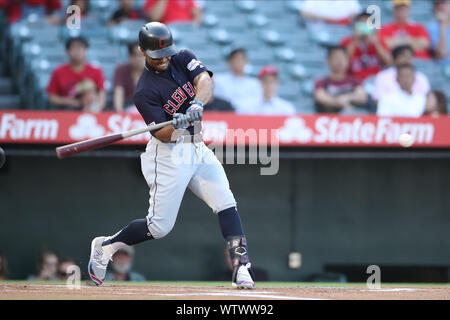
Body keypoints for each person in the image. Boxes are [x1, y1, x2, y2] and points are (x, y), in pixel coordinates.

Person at [88, 22, 255, 290]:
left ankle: (241, 267)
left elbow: (205, 82)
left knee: (226, 202)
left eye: (166, 53)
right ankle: (106, 246)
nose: (164, 59)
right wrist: (176, 124)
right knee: (159, 227)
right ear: (144, 52)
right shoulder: (144, 92)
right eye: (157, 55)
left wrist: (197, 103)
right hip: (168, 154)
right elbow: (163, 135)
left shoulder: (182, 57)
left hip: (197, 146)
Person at [46, 36, 106, 111]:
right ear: (67, 52)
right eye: (74, 48)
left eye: (80, 48)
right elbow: (52, 98)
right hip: (66, 111)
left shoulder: (96, 71)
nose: (77, 52)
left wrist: (95, 109)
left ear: (86, 51)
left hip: (90, 110)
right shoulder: (58, 71)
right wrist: (73, 102)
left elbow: (101, 95)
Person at [314, 45, 368, 113]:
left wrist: (346, 98)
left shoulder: (355, 81)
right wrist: (338, 102)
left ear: (348, 61)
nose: (340, 61)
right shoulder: (322, 82)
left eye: (343, 58)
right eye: (336, 58)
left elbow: (362, 97)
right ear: (328, 61)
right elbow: (320, 96)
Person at [341, 12, 392, 80]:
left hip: (377, 80)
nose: (365, 25)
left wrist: (376, 44)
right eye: (362, 23)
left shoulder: (379, 41)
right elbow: (341, 63)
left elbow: (389, 62)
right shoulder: (346, 42)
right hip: (353, 81)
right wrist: (355, 40)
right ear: (355, 25)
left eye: (368, 23)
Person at [213, 48, 262, 113]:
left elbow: (257, 104)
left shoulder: (255, 83)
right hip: (224, 116)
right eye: (236, 59)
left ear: (246, 62)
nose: (239, 62)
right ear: (229, 62)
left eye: (242, 59)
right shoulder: (218, 80)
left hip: (247, 118)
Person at [113, 41, 145, 112]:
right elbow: (118, 94)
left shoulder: (153, 72)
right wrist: (120, 113)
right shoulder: (121, 70)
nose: (138, 59)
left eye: (141, 55)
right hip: (127, 110)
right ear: (129, 56)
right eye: (134, 55)